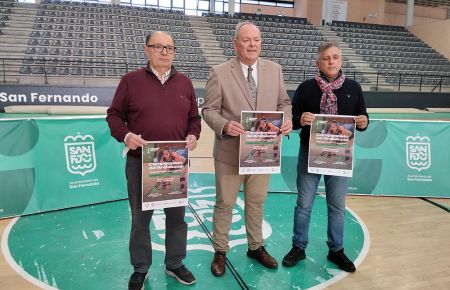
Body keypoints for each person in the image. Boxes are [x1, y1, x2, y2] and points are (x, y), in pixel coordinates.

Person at [106, 31, 201, 289]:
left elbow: (194, 118)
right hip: (141, 162)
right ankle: (140, 268)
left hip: (175, 163)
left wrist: (193, 135)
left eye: (169, 47)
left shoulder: (185, 82)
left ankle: (175, 263)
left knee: (177, 217)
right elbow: (113, 116)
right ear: (146, 50)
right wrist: (125, 135)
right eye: (158, 47)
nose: (164, 52)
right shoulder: (130, 81)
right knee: (140, 220)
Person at [202, 21, 293, 277]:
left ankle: (256, 247)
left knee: (256, 202)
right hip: (230, 152)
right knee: (225, 203)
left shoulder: (274, 70)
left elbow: (284, 103)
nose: (252, 44)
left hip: (263, 152)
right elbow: (208, 110)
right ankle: (220, 251)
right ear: (235, 44)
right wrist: (224, 125)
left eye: (256, 40)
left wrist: (287, 120)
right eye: (246, 40)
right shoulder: (219, 72)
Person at [282, 41, 368, 273]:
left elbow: (363, 119)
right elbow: (293, 117)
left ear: (341, 61)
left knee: (337, 207)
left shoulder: (353, 87)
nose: (331, 62)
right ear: (317, 62)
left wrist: (363, 122)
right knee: (304, 204)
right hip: (309, 154)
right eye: (327, 58)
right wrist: (301, 119)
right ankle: (298, 247)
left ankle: (336, 250)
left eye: (336, 57)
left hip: (340, 156)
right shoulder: (306, 87)